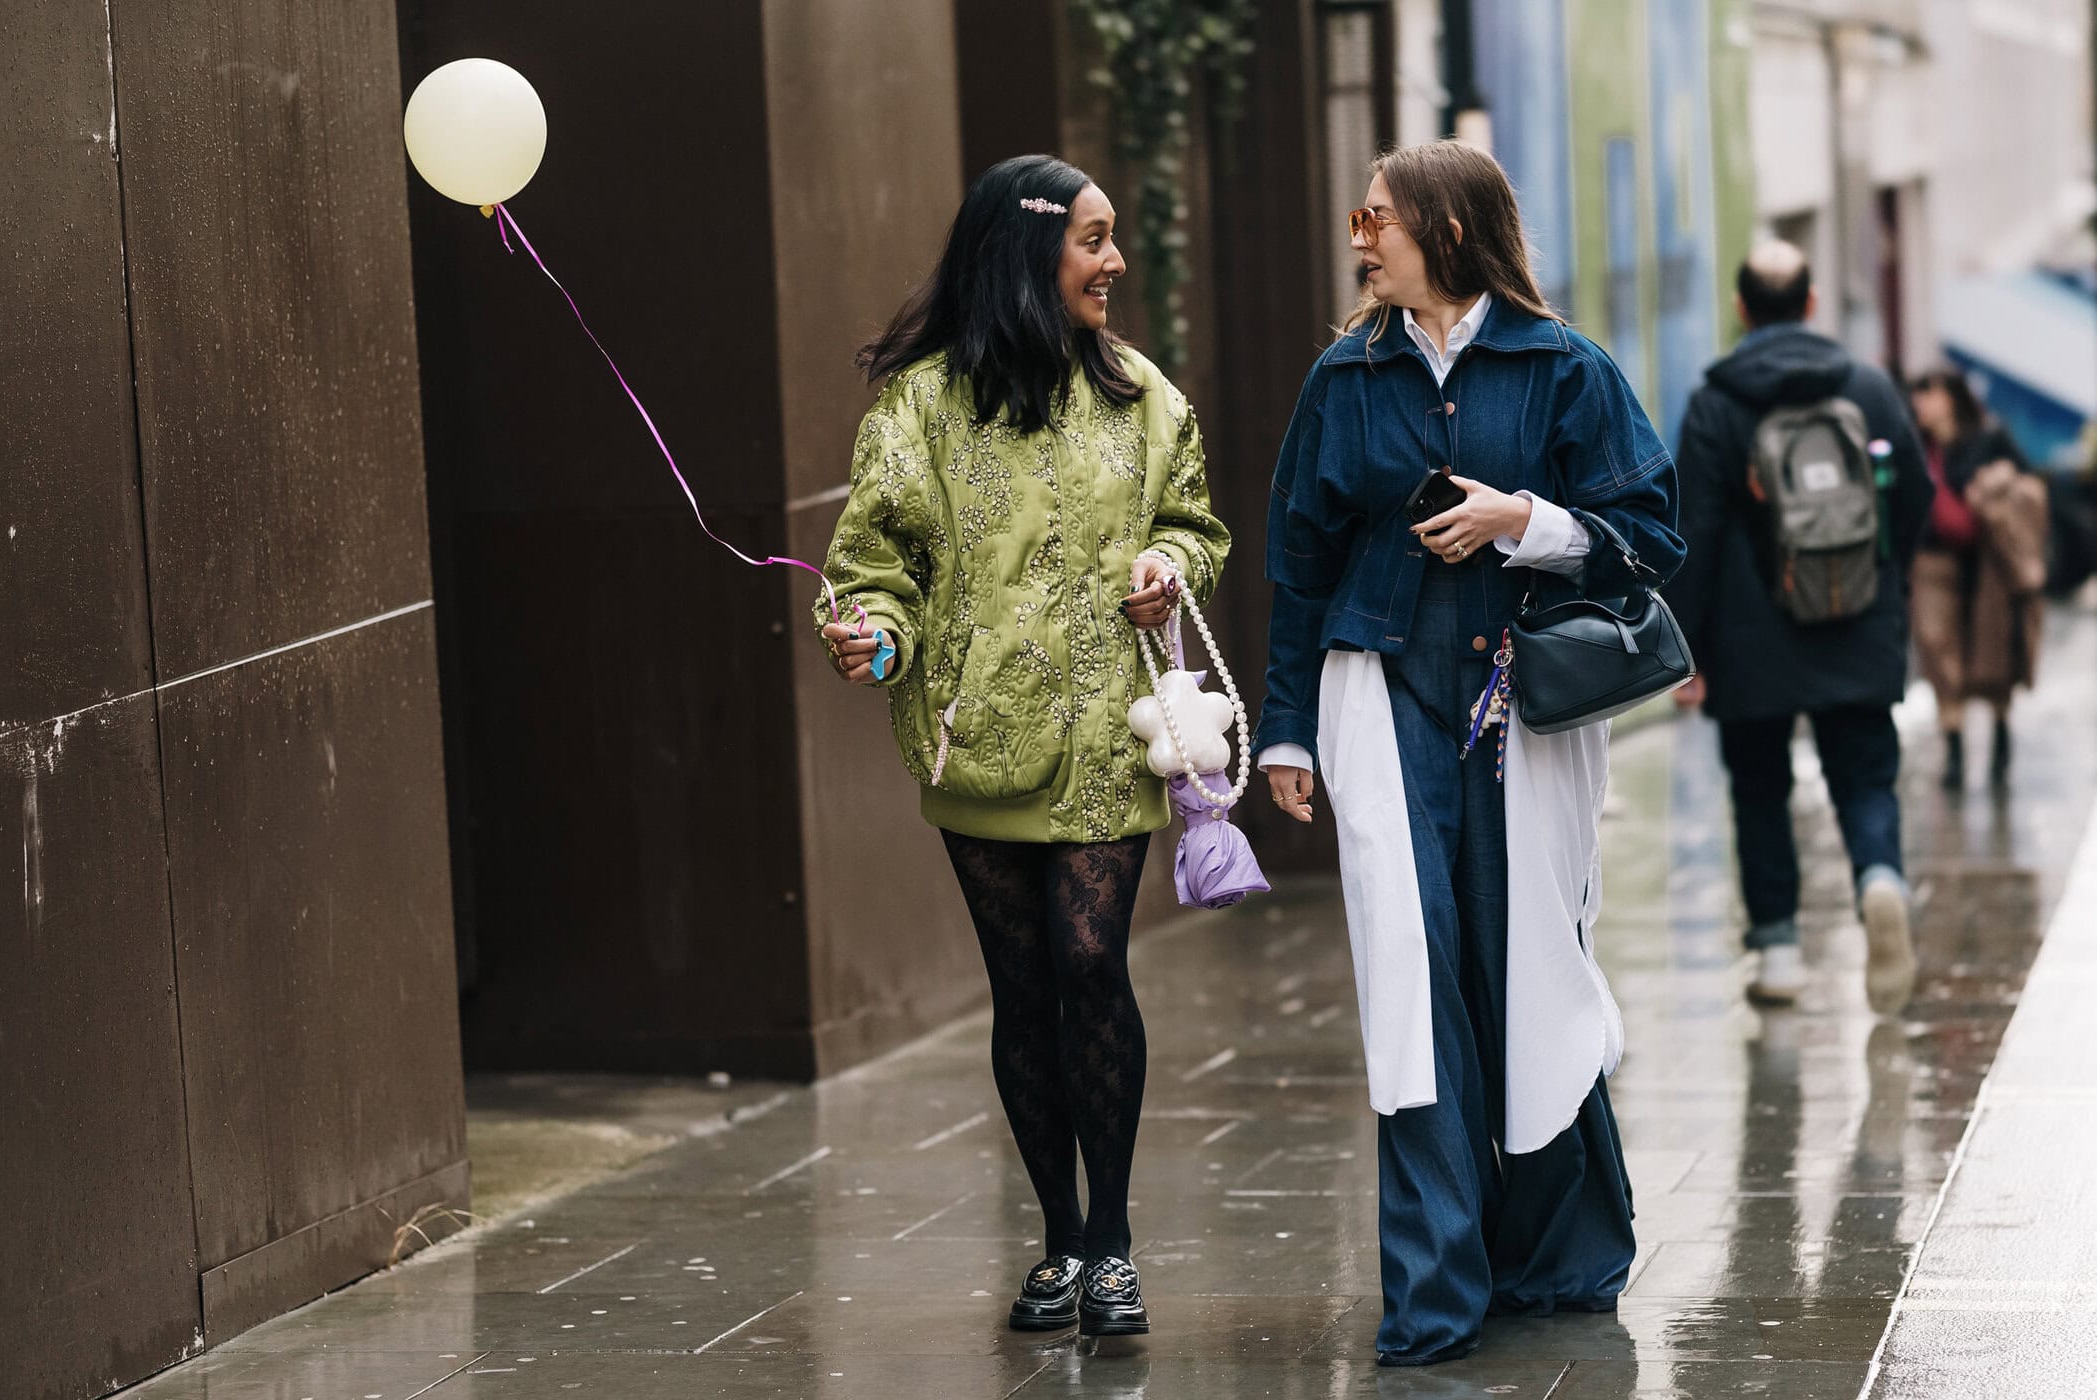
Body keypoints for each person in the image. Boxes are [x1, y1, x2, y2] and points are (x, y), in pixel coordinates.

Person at [1254, 139, 1680, 1365]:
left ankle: (1561, 1256)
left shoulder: (1564, 367)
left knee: (1532, 963)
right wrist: (1284, 722)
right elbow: (1301, 565)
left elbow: (1651, 537)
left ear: (1446, 228)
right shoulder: (1345, 376)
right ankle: (1434, 1291)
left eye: (1374, 217)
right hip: (1377, 692)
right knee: (1411, 973)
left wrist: (1525, 521)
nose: (1358, 238)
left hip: (1528, 706)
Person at [816, 154, 1230, 1339]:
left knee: (1092, 961)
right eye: (1094, 240)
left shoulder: (1143, 394)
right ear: (1028, 250)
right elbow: (874, 565)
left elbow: (1193, 525)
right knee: (1024, 989)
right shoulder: (923, 407)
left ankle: (1113, 1244)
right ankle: (1056, 1234)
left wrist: (1169, 568)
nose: (1114, 262)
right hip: (974, 740)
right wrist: (875, 639)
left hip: (1111, 734)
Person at [1668, 242, 1930, 1011]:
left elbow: (1697, 530)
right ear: (1812, 302)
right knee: (1864, 775)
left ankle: (1779, 951)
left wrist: (1686, 649)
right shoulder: (1869, 387)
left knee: (1759, 789)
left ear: (1742, 307)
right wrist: (1888, 579)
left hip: (1753, 637)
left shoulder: (1716, 402)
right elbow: (1912, 492)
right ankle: (1879, 876)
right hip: (1856, 614)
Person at [1907, 366, 2046, 791]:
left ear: (1951, 397)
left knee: (1993, 654)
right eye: (1918, 395)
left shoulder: (1989, 437)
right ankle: (1954, 749)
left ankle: (2001, 735)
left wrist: (1992, 490)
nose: (1921, 404)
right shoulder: (1914, 444)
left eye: (1929, 393)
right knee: (1939, 651)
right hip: (1934, 562)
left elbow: (2029, 485)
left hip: (1988, 564)